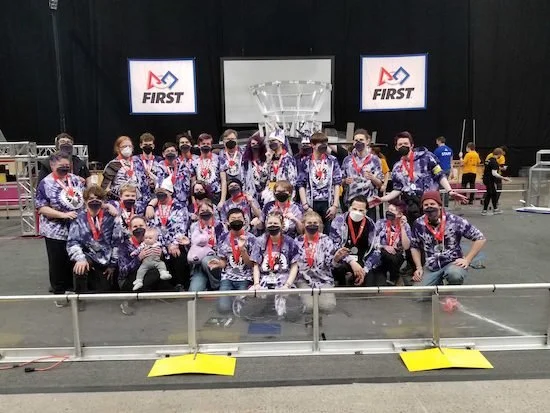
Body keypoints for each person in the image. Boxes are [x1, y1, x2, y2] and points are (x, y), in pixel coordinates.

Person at [379, 131, 465, 223]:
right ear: (396, 147)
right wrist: (382, 199)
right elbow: (398, 189)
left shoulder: (427, 157)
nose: (403, 146)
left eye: (406, 143)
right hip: (410, 206)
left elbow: (440, 175)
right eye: (400, 144)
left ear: (412, 145)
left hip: (429, 204)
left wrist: (450, 191)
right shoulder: (397, 167)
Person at [36, 152, 86, 304]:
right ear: (52, 166)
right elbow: (41, 207)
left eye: (67, 165)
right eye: (61, 166)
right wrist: (62, 215)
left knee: (74, 260)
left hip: (76, 229)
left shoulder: (76, 180)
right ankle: (59, 293)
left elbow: (84, 198)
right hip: (55, 230)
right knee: (58, 262)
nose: (65, 168)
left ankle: (74, 291)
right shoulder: (46, 183)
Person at [410, 191, 486, 286]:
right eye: (426, 205)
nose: (429, 207)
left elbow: (480, 238)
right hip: (432, 265)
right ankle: (438, 284)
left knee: (455, 275)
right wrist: (419, 268)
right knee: (418, 293)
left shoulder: (455, 221)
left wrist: (467, 260)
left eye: (432, 204)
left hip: (453, 262)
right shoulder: (418, 223)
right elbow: (414, 246)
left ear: (440, 205)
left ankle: (450, 290)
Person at [239, 211, 302, 321]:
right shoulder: (259, 241)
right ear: (266, 225)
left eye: (276, 223)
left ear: (282, 225)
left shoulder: (290, 242)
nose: (273, 226)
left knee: (294, 315)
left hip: (284, 281)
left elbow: (294, 266)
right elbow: (256, 265)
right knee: (246, 313)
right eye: (270, 223)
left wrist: (287, 285)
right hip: (264, 280)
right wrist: (256, 284)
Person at [67, 185, 122, 297]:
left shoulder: (111, 217)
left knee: (105, 292)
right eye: (91, 199)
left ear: (103, 201)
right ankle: (79, 297)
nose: (94, 201)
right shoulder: (78, 218)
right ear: (85, 201)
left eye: (98, 198)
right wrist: (80, 258)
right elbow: (72, 242)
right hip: (88, 256)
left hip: (106, 258)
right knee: (80, 267)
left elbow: (117, 243)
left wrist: (112, 265)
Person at [118, 216, 176, 315]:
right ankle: (128, 301)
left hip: (150, 275)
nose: (138, 228)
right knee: (155, 272)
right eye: (135, 226)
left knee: (161, 268)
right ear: (130, 229)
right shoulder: (124, 246)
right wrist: (138, 258)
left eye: (141, 225)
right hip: (129, 280)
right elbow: (123, 271)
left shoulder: (154, 242)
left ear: (146, 227)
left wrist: (160, 255)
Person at [207, 208, 256, 313]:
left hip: (245, 278)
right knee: (223, 308)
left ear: (244, 221)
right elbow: (224, 261)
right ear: (228, 222)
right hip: (227, 277)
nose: (236, 221)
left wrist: (242, 250)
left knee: (242, 310)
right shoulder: (223, 238)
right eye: (233, 219)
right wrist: (218, 264)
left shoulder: (251, 239)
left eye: (239, 218)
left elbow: (251, 264)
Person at [145, 178, 189, 290]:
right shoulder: (153, 208)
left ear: (170, 192)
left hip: (175, 244)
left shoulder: (180, 207)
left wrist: (174, 244)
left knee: (178, 256)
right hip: (158, 245)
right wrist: (161, 245)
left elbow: (181, 228)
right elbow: (151, 229)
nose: (160, 194)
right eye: (157, 192)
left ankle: (180, 286)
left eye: (162, 191)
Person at [329, 195, 381, 287]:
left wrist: (364, 270)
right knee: (340, 269)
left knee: (370, 281)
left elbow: (377, 250)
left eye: (361, 210)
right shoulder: (339, 221)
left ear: (366, 211)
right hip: (343, 260)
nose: (357, 212)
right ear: (349, 208)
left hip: (362, 261)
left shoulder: (371, 225)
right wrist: (351, 262)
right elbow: (334, 246)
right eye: (354, 209)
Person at [297, 132, 342, 232]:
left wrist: (335, 205)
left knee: (328, 232)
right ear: (312, 145)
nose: (324, 145)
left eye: (325, 143)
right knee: (311, 231)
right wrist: (305, 205)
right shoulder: (305, 162)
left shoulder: (332, 160)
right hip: (311, 202)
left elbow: (337, 183)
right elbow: (301, 184)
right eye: (321, 143)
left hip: (327, 202)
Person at [294, 211, 337, 314]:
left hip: (323, 279)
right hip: (303, 279)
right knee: (309, 306)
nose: (312, 225)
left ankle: (319, 322)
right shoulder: (297, 241)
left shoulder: (326, 240)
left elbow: (330, 264)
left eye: (315, 223)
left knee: (328, 306)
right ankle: (310, 322)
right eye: (309, 223)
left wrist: (336, 259)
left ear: (320, 225)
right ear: (303, 225)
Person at [184, 199, 226, 291]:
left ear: (213, 211)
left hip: (215, 259)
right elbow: (192, 249)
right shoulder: (193, 226)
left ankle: (216, 285)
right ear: (198, 213)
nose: (205, 213)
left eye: (207, 210)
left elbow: (224, 245)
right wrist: (188, 244)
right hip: (198, 263)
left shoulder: (220, 226)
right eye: (202, 211)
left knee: (206, 260)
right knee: (193, 291)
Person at [341, 129, 383, 220]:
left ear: (367, 141)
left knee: (368, 228)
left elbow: (380, 184)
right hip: (352, 202)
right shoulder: (347, 160)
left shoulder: (375, 160)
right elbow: (340, 181)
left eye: (361, 140)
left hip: (369, 203)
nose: (358, 142)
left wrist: (372, 178)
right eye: (356, 140)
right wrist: (345, 181)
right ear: (353, 142)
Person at [371, 200, 411, 286]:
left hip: (397, 255)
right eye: (388, 210)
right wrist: (384, 246)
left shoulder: (406, 226)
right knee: (386, 256)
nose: (388, 212)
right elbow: (372, 241)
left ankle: (394, 278)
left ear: (400, 214)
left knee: (394, 257)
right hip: (382, 252)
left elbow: (406, 246)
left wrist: (402, 227)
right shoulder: (381, 223)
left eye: (392, 210)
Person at [101, 136, 150, 202]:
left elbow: (144, 185)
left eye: (130, 146)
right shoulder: (113, 165)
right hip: (118, 201)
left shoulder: (138, 163)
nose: (127, 148)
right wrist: (121, 198)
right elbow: (105, 188)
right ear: (118, 149)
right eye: (124, 146)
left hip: (138, 201)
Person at [191, 133, 226, 209]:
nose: (205, 145)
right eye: (203, 144)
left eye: (208, 144)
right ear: (199, 145)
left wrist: (222, 200)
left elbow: (223, 180)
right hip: (201, 195)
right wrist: (194, 202)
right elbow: (193, 184)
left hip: (216, 194)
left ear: (211, 145)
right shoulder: (194, 162)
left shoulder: (219, 159)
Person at [263, 129, 297, 204]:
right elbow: (263, 178)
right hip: (270, 194)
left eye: (273, 141)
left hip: (284, 194)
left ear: (281, 142)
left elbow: (292, 181)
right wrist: (267, 161)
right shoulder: (270, 158)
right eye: (269, 141)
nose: (271, 143)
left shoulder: (288, 159)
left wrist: (291, 197)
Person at [155, 142, 191, 209]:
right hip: (165, 201)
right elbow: (160, 185)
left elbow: (187, 186)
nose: (170, 153)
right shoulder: (159, 167)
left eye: (172, 151)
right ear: (163, 154)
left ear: (176, 153)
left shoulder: (183, 166)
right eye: (168, 151)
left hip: (182, 202)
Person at [482, 148, 511, 215]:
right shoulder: (494, 162)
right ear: (499, 154)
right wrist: (503, 178)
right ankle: (485, 210)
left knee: (493, 193)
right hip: (489, 179)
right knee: (490, 194)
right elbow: (494, 173)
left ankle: (494, 209)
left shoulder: (488, 160)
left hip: (486, 178)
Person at [242, 132, 268, 206]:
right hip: (251, 194)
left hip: (265, 194)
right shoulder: (246, 162)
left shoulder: (266, 160)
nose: (255, 146)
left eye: (257, 144)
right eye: (253, 144)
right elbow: (243, 179)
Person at [433, 136, 454, 207]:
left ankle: (440, 203)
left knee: (439, 187)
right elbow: (451, 162)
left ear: (439, 141)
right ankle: (445, 203)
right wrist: (452, 172)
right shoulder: (450, 150)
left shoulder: (437, 150)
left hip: (440, 170)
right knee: (446, 186)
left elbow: (434, 162)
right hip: (448, 170)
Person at [371, 146, 391, 219]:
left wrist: (384, 185)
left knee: (380, 205)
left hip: (379, 185)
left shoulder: (381, 160)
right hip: (371, 186)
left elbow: (386, 173)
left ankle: (382, 220)